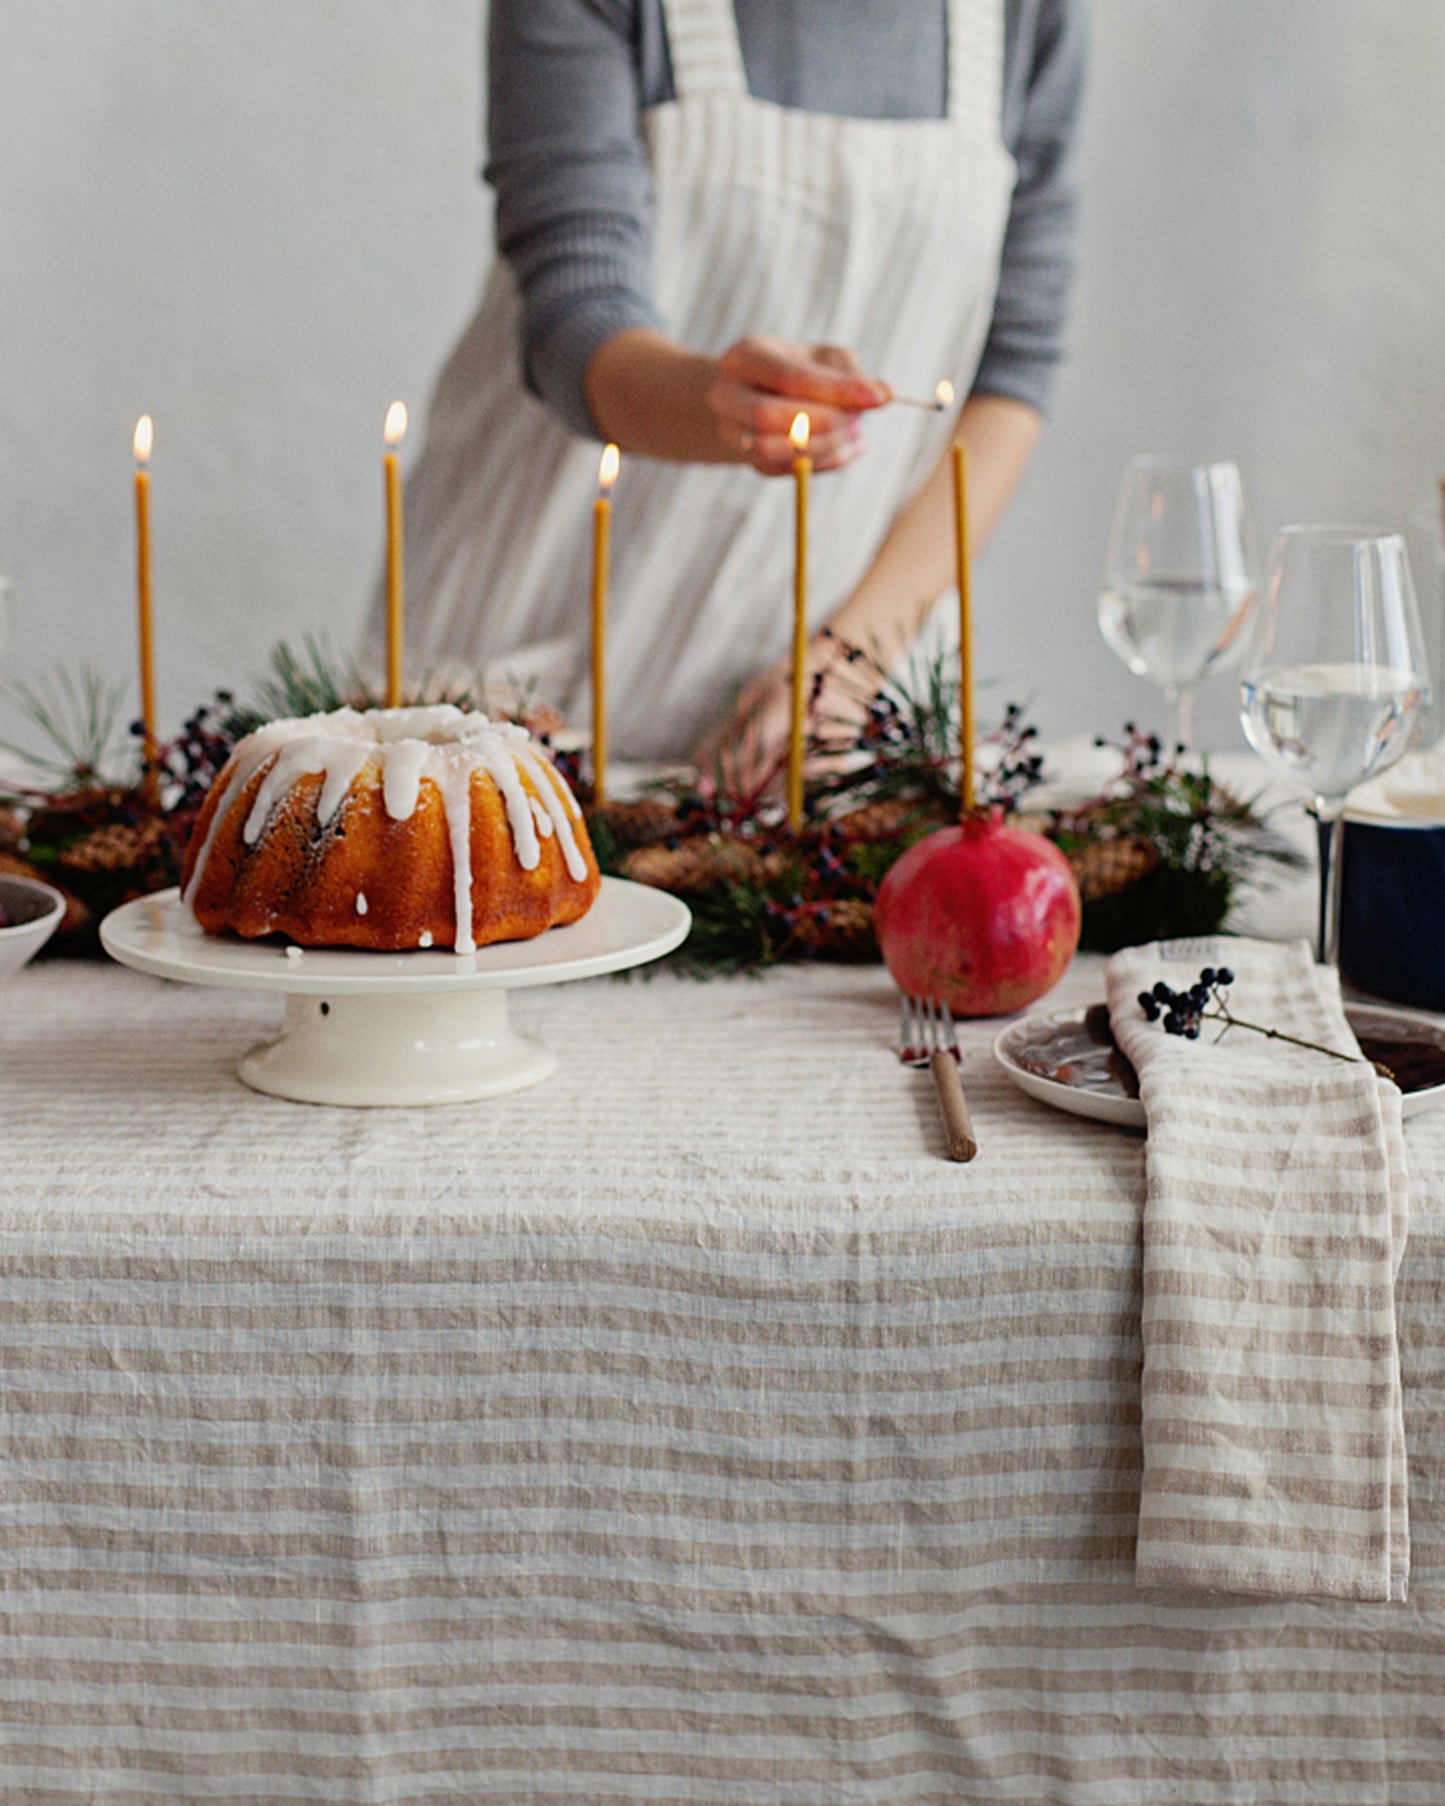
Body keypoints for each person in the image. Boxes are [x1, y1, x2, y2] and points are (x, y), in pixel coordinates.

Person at [389, 0, 1088, 778]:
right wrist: (722, 404)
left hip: (828, 720)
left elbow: (1014, 370)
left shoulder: (1031, 16)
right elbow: (573, 311)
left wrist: (848, 663)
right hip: (519, 663)